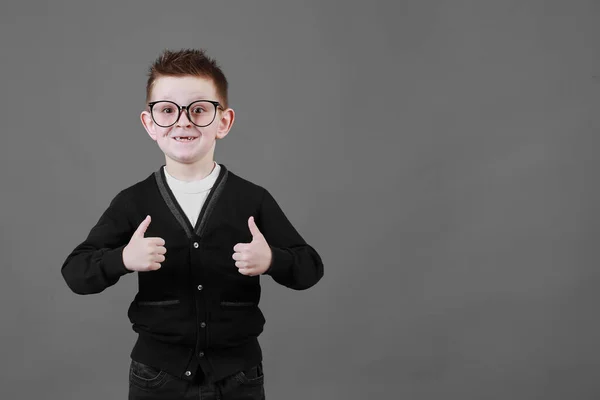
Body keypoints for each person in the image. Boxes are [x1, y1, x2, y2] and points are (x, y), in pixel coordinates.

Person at [60, 48, 325, 400]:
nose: (183, 122)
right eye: (168, 110)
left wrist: (273, 260)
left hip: (238, 376)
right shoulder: (133, 202)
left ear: (223, 122)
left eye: (199, 110)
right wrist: (122, 259)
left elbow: (310, 268)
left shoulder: (252, 199)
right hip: (156, 375)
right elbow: (76, 272)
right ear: (150, 124)